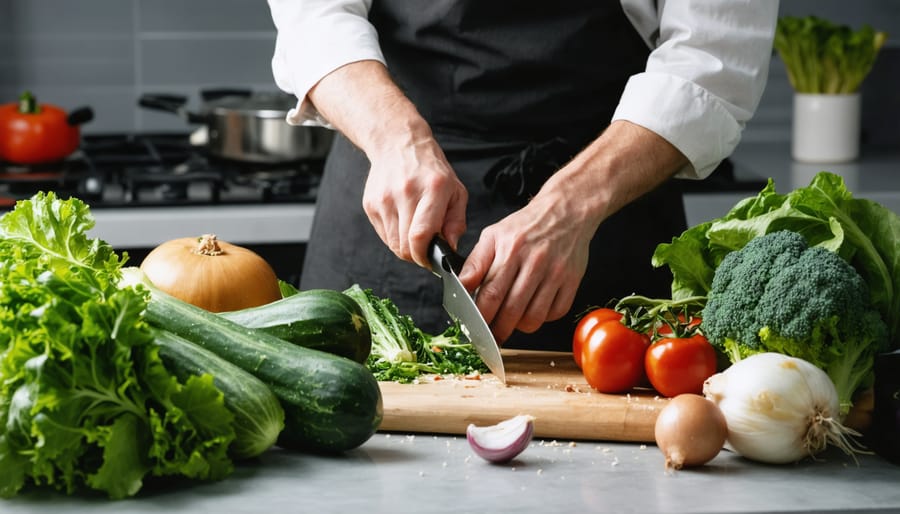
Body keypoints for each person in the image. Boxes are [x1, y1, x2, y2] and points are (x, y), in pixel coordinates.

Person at [266, 1, 779, 351]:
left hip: (612, 205)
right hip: (391, 182)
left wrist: (573, 207)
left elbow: (715, 56)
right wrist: (394, 137)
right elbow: (313, 15)